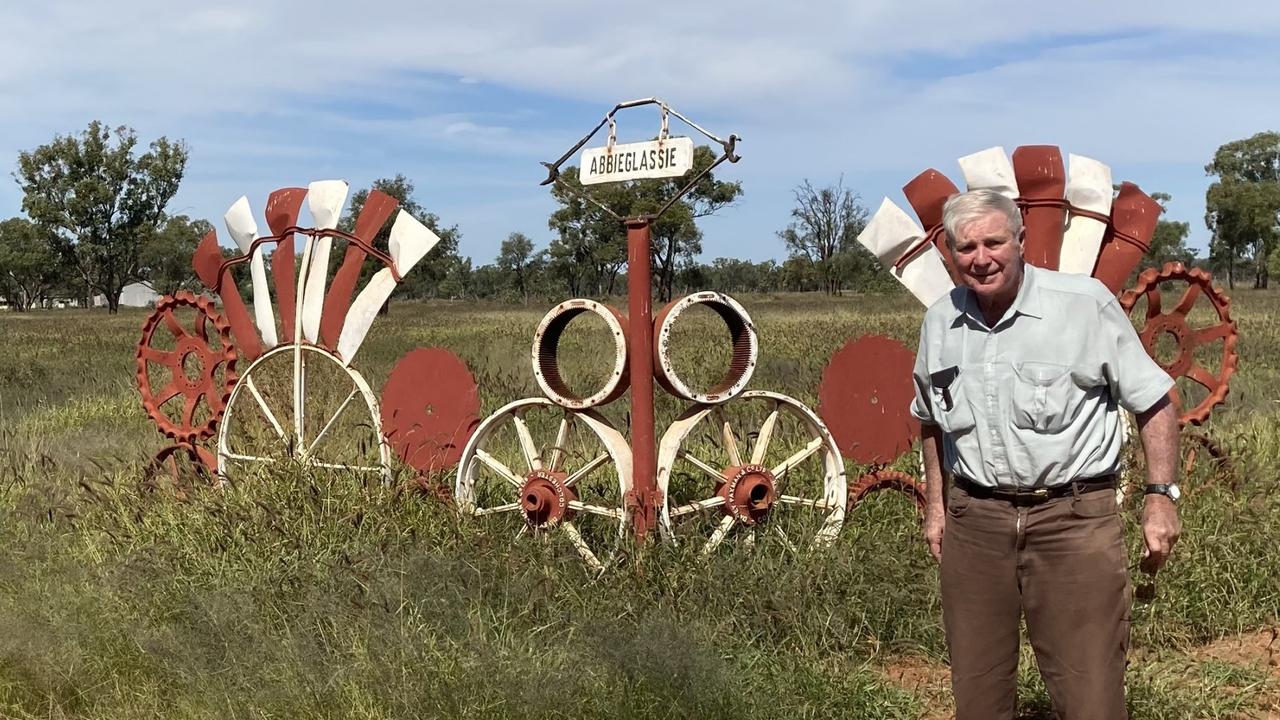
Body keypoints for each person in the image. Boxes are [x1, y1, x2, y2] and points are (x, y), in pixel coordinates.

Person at [911, 189, 1182, 720]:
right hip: (976, 524)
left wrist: (1160, 497)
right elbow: (929, 417)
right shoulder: (941, 322)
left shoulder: (1083, 305)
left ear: (1021, 240)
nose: (981, 258)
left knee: (1090, 698)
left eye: (994, 242)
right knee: (978, 697)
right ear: (949, 251)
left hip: (1073, 521)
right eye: (966, 247)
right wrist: (937, 506)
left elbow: (1156, 400)